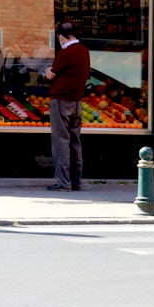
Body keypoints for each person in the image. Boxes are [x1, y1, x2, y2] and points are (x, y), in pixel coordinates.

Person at [42, 22, 91, 192]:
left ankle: (63, 182)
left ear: (62, 37)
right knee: (75, 142)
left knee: (61, 142)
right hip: (77, 102)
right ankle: (77, 181)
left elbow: (50, 75)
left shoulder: (65, 53)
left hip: (61, 101)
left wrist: (46, 73)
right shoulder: (84, 52)